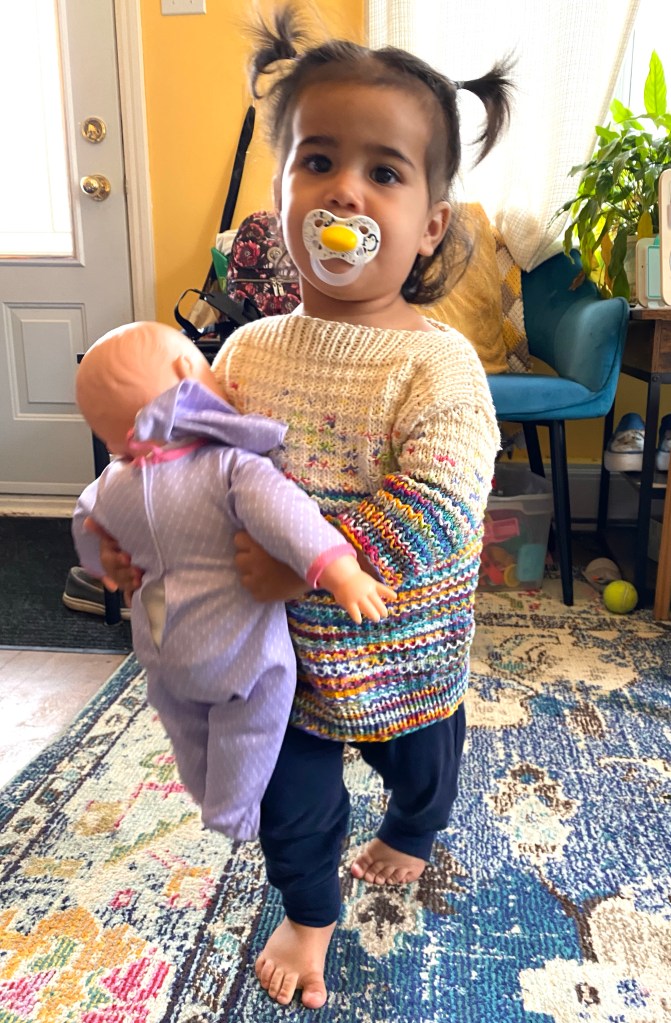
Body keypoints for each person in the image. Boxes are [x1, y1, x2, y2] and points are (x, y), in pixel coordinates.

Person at [99, 6, 512, 1008]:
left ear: (429, 224)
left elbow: (443, 501)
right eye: (316, 161)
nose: (344, 191)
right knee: (295, 812)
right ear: (280, 195)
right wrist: (132, 535)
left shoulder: (437, 365)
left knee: (422, 770)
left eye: (384, 172)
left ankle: (411, 830)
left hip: (400, 647)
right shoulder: (243, 350)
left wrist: (315, 558)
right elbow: (187, 470)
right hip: (272, 660)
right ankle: (309, 915)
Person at [71, 320, 395, 842]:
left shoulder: (109, 484)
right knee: (254, 718)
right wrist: (343, 573)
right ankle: (232, 809)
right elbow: (289, 518)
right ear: (187, 370)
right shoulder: (230, 466)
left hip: (161, 642)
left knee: (183, 722)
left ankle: (204, 791)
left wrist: (105, 565)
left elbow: (87, 527)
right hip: (233, 645)